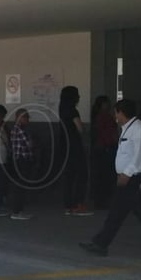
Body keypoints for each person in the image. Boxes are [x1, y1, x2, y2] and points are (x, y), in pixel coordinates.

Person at [79, 100, 141, 259]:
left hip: (135, 179)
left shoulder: (139, 129)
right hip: (128, 179)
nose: (115, 116)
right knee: (116, 213)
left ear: (122, 112)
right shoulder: (128, 128)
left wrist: (127, 173)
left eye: (116, 112)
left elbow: (139, 155)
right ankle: (101, 244)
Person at [59, 86, 94, 216]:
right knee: (82, 174)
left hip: (64, 145)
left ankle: (69, 206)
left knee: (69, 176)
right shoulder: (73, 111)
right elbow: (80, 128)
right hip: (75, 145)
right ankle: (79, 204)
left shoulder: (62, 109)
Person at [90, 96, 117, 210]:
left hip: (103, 147)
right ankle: (102, 200)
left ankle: (101, 200)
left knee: (103, 176)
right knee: (105, 176)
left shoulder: (100, 116)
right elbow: (104, 132)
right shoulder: (103, 117)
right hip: (105, 147)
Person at [9, 109, 34, 220]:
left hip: (17, 159)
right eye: (25, 117)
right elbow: (30, 144)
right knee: (20, 186)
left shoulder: (14, 129)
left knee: (18, 186)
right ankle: (17, 211)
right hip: (22, 160)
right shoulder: (21, 130)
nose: (27, 120)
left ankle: (18, 210)